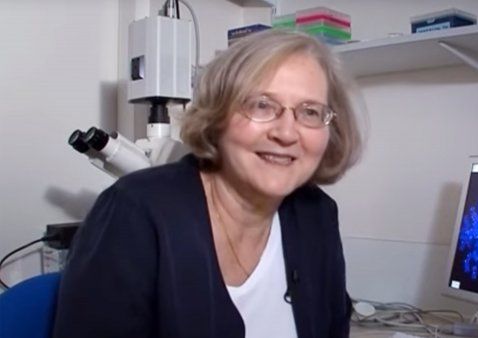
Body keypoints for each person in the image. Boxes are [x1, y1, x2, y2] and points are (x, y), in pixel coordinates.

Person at [53, 29, 363, 338]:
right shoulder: (134, 212)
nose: (286, 133)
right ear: (218, 115)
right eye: (262, 105)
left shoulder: (317, 214)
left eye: (310, 111)